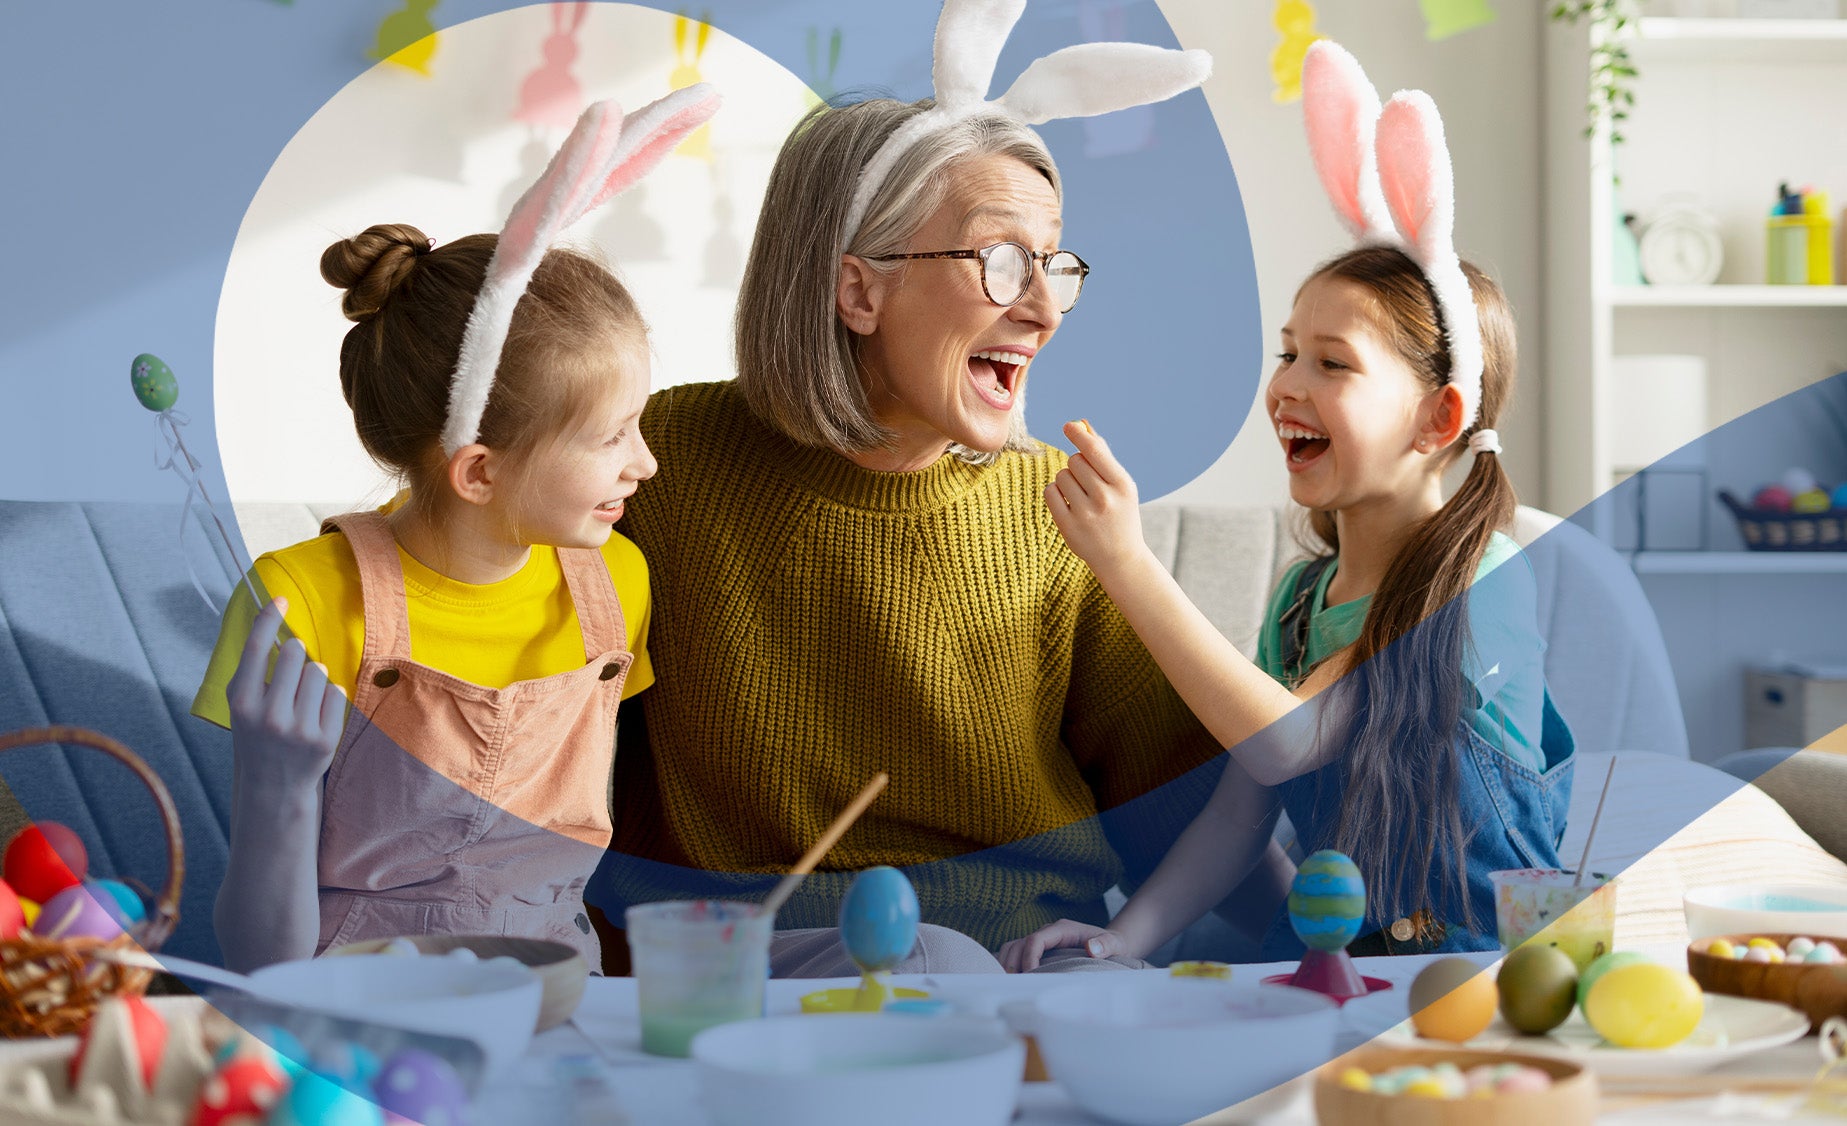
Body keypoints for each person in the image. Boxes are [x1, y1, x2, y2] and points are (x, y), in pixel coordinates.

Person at [590, 6, 1286, 976]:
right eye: (1001, 260)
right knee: (933, 964)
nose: (1041, 306)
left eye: (1053, 265)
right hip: (732, 970)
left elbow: (1189, 811)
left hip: (1024, 973)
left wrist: (1341, 969)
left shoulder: (1056, 512)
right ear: (857, 291)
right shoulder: (660, 458)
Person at [999, 41, 1576, 971]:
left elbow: (1286, 745)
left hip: (1470, 964)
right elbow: (1240, 815)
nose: (1286, 387)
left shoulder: (1479, 581)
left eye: (1332, 363)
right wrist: (1123, 938)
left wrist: (1125, 562)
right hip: (1340, 954)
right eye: (1286, 353)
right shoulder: (1303, 601)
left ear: (1439, 416)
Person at [192, 91, 718, 973]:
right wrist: (278, 785)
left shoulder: (617, 583)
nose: (646, 465)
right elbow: (259, 966)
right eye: (609, 437)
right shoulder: (301, 601)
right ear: (478, 470)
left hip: (561, 1008)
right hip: (362, 1025)